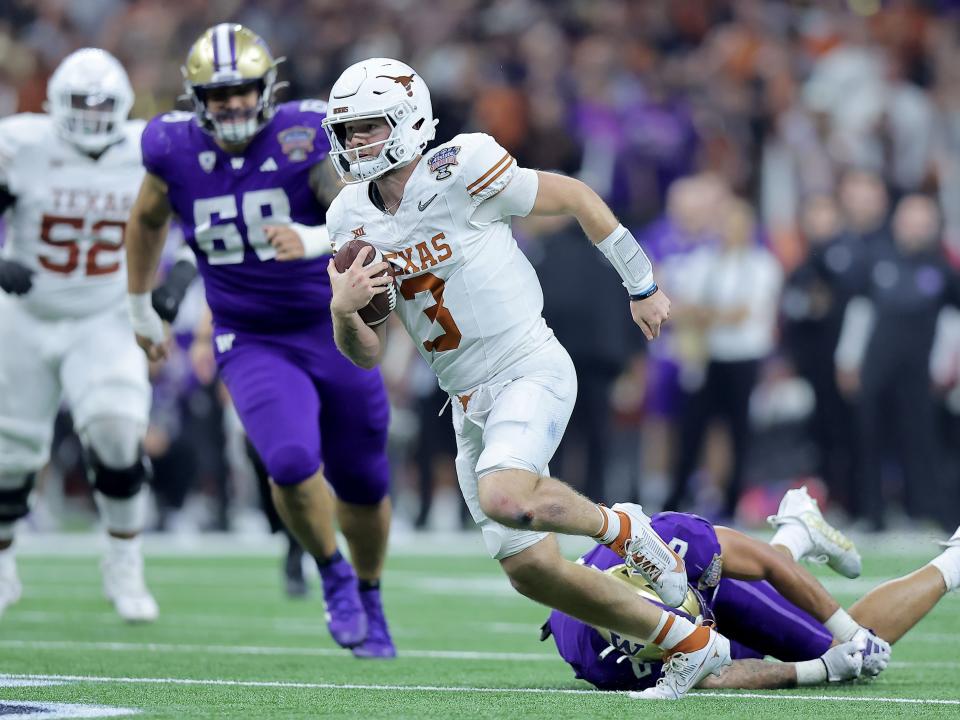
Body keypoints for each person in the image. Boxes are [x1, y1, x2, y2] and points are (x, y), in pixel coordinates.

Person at [321, 57, 730, 700]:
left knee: (506, 496)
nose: (355, 144)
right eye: (347, 131)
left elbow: (575, 197)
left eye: (368, 127)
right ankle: (692, 645)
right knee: (533, 571)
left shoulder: (461, 166)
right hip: (463, 400)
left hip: (526, 364)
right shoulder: (348, 219)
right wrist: (344, 310)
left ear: (405, 121)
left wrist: (641, 283)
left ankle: (625, 530)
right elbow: (365, 355)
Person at [123, 24, 394, 658]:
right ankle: (331, 572)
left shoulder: (305, 134)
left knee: (363, 481)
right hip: (249, 336)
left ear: (266, 87)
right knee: (292, 462)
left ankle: (372, 591)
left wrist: (314, 239)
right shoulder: (171, 148)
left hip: (332, 326)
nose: (235, 104)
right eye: (220, 95)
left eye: (245, 90)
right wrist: (140, 305)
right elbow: (146, 219)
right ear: (196, 98)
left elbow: (359, 208)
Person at [0, 48, 158, 623]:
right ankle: (3, 563)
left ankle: (124, 562)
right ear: (53, 105)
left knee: (118, 432)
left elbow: (188, 224)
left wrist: (174, 284)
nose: (91, 115)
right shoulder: (21, 143)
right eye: (79, 103)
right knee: (9, 457)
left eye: (101, 104)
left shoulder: (147, 149)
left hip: (103, 315)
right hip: (25, 312)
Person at [547, 486, 960, 694]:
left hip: (712, 584)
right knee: (831, 661)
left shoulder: (666, 540)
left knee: (845, 644)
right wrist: (822, 670)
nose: (702, 626)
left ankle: (954, 560)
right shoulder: (601, 662)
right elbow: (715, 678)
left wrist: (850, 633)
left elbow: (765, 562)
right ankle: (800, 530)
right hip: (672, 638)